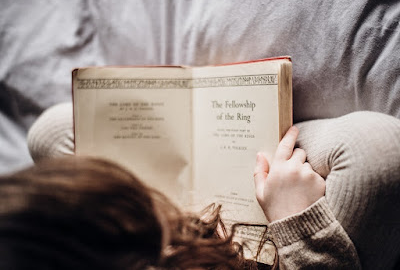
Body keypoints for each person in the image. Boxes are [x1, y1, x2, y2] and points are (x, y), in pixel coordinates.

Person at [24, 103, 400, 269]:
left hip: (156, 231)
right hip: (258, 253)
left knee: (51, 132)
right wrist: (298, 224)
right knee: (378, 151)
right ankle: (267, 134)